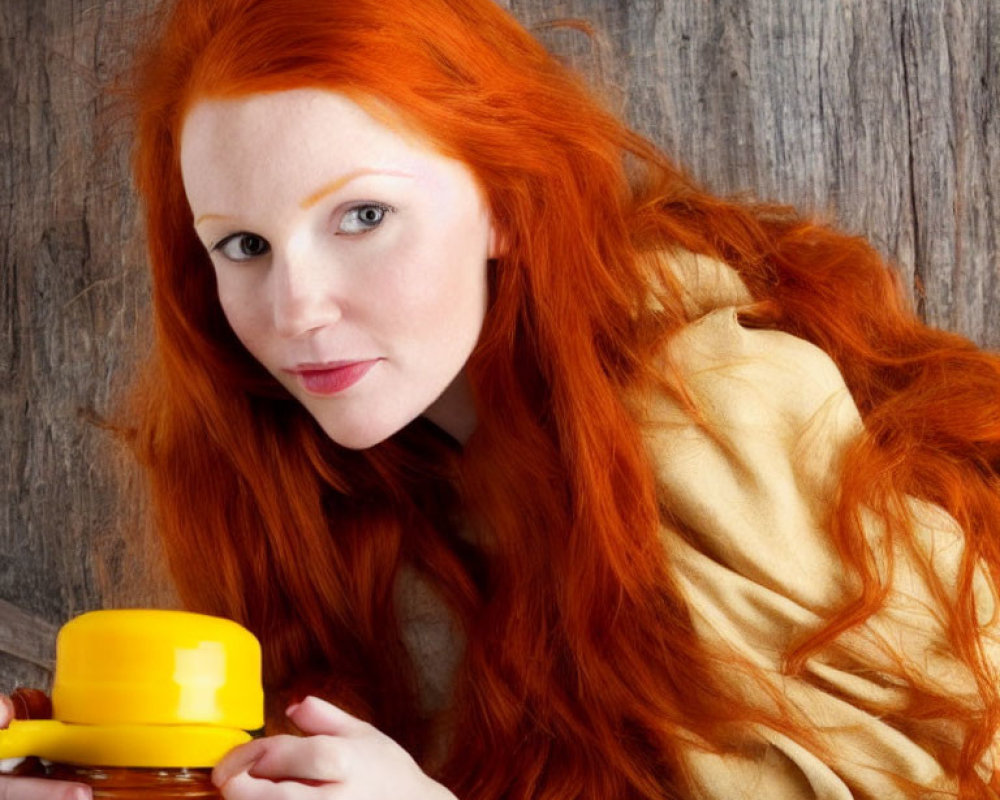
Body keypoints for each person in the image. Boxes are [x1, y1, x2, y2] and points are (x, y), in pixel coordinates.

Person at [3, 0, 1000, 797]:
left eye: (362, 214)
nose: (295, 307)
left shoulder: (706, 411)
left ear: (502, 203)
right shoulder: (310, 481)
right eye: (243, 245)